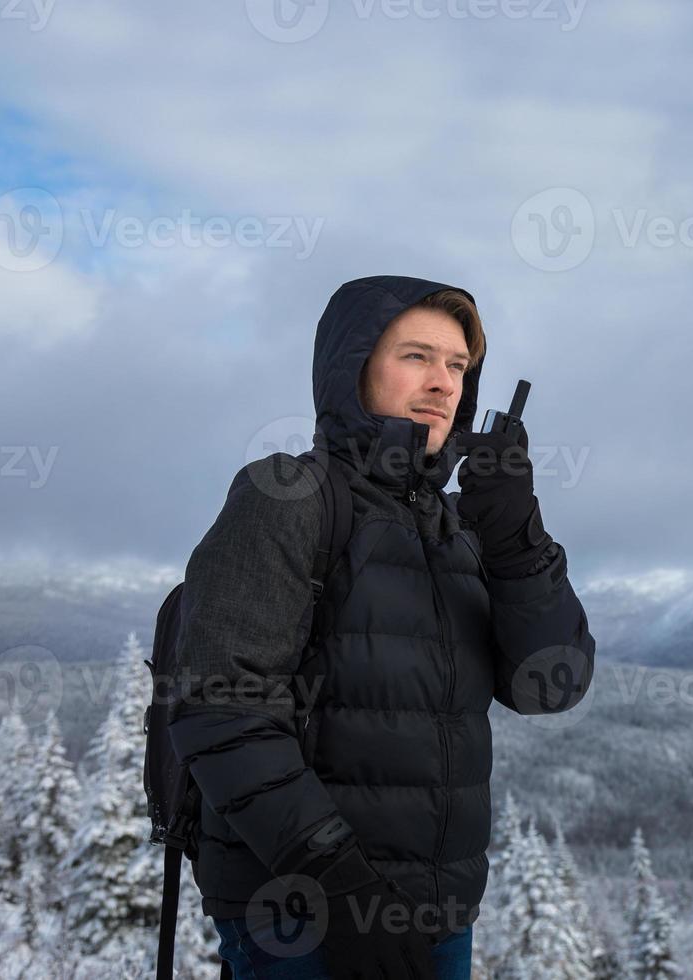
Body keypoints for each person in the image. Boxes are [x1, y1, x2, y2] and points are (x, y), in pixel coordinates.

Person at [168, 275, 596, 979]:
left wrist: (516, 534)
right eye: (416, 356)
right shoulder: (287, 497)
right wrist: (337, 885)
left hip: (437, 918)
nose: (443, 383)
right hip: (300, 917)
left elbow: (551, 687)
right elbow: (221, 709)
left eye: (458, 365)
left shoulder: (456, 526)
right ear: (352, 365)